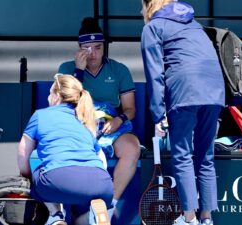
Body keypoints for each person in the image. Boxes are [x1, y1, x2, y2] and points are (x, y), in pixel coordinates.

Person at [140, 1, 225, 225]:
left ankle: (189, 218)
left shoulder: (153, 27)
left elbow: (154, 74)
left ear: (147, 4)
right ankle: (206, 218)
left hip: (185, 90)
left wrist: (158, 114)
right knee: (205, 157)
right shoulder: (193, 23)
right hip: (215, 90)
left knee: (182, 155)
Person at [58, 17, 141, 218]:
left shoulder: (119, 69)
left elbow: (130, 109)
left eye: (98, 47)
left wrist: (118, 120)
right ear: (79, 49)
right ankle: (82, 211)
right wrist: (78, 71)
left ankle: (109, 205)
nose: (93, 53)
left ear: (104, 48)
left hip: (110, 124)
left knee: (132, 147)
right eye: (87, 48)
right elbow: (66, 104)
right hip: (79, 125)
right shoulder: (67, 69)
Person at [17, 74, 113, 225]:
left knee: (38, 168)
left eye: (50, 93)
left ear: (56, 96)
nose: (48, 97)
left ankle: (56, 215)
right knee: (80, 219)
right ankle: (92, 218)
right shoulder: (84, 120)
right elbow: (100, 156)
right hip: (102, 184)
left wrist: (27, 177)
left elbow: (23, 152)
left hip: (57, 181)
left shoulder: (40, 115)